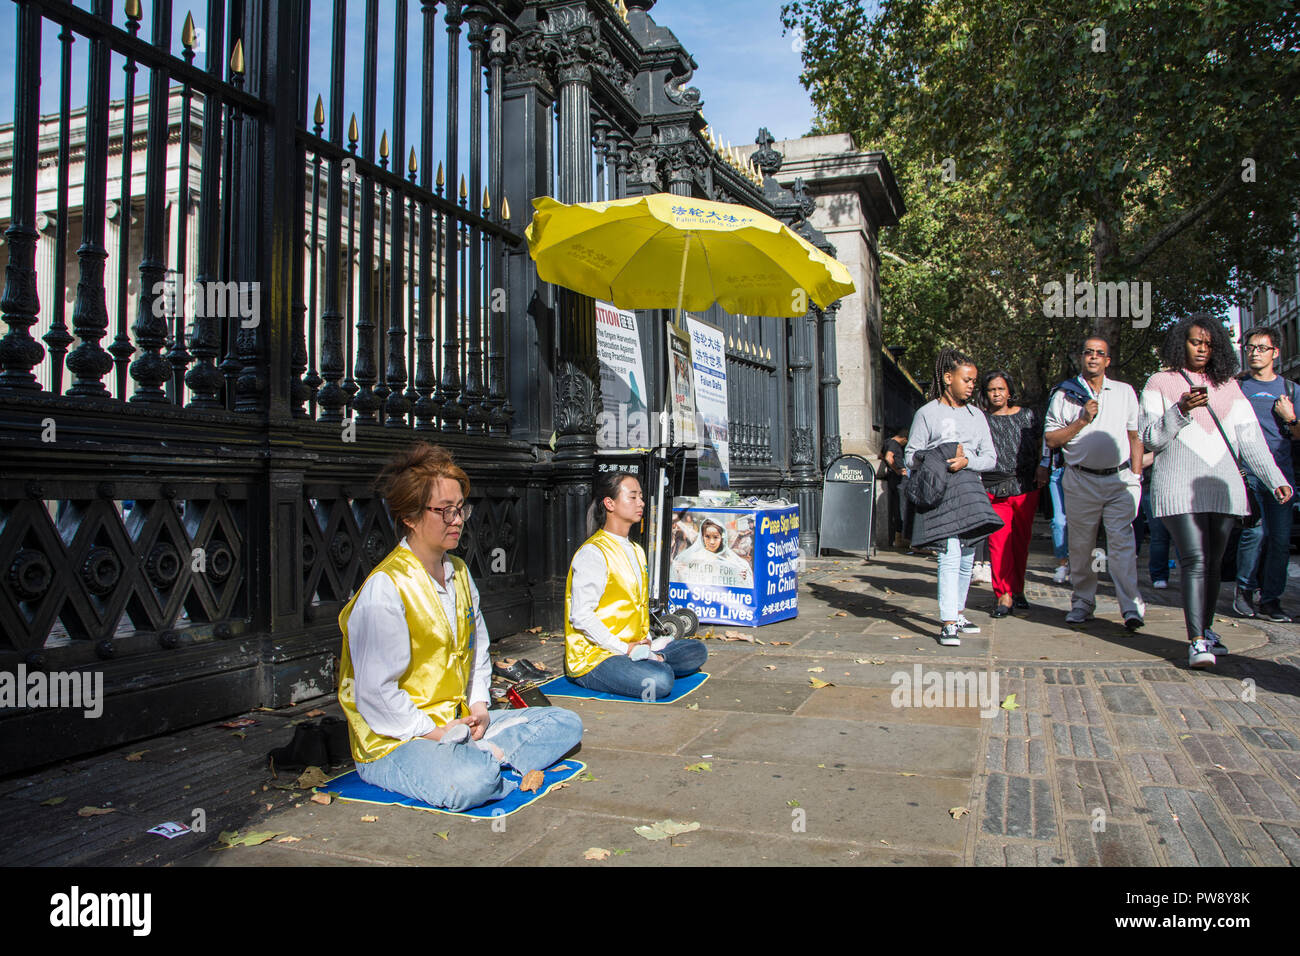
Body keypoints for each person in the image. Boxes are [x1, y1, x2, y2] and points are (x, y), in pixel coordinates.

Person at [338, 443, 583, 811]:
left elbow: (477, 650)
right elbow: (375, 695)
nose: (457, 520)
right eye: (445, 511)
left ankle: (480, 754)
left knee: (566, 723)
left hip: (459, 722)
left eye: (460, 509)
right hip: (399, 739)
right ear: (409, 516)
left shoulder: (460, 573)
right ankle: (484, 761)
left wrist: (480, 707)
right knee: (472, 781)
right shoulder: (385, 588)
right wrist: (437, 734)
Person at [1139, 315, 1293, 668]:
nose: (1202, 349)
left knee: (1211, 566)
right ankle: (1196, 641)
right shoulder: (1160, 382)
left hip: (1224, 488)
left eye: (1209, 344)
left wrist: (1275, 479)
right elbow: (1150, 438)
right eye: (1195, 342)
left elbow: (1251, 442)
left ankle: (1206, 630)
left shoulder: (1229, 386)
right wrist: (1180, 410)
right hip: (1178, 487)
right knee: (1194, 559)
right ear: (1182, 343)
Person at [567, 472, 708, 699]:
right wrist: (626, 649)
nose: (641, 503)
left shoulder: (636, 550)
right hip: (597, 656)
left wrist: (646, 642)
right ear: (610, 503)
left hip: (636, 647)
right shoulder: (593, 553)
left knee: (697, 650)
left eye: (640, 497)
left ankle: (655, 658)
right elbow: (581, 616)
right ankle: (655, 663)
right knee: (659, 682)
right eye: (632, 497)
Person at [1043, 336, 1146, 630]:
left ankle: (1131, 606)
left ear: (1107, 361)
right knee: (1081, 546)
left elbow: (1134, 437)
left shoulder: (1125, 392)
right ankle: (1083, 602)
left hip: (1120, 480)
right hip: (1080, 480)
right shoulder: (1064, 394)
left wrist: (1136, 478)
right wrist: (1082, 421)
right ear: (1081, 357)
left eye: (1100, 354)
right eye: (1088, 352)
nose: (1094, 357)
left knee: (1122, 545)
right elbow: (1051, 439)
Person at [904, 347, 999, 645]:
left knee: (968, 554)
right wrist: (943, 457)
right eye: (966, 379)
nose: (972, 385)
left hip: (970, 490)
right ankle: (947, 622)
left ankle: (958, 612)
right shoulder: (927, 413)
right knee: (949, 552)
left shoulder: (977, 416)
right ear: (948, 378)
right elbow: (910, 456)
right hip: (942, 490)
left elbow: (991, 458)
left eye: (974, 380)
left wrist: (968, 461)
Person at [1232, 325, 1300, 621]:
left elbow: (1298, 435)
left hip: (1281, 477)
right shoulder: (1236, 387)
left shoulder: (1291, 390)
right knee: (1254, 534)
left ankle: (1270, 599)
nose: (1254, 353)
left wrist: (1291, 417)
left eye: (1261, 348)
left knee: (1281, 540)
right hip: (1248, 475)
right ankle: (1244, 593)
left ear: (1275, 352)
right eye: (1250, 347)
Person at [980, 371, 1042, 617]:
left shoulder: (1027, 416)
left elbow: (1042, 444)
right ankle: (1003, 594)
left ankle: (1018, 589)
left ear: (1009, 391)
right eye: (991, 390)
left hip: (1025, 485)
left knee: (1021, 541)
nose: (996, 394)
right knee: (998, 542)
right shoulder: (982, 420)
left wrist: (1043, 467)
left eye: (1000, 389)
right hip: (994, 486)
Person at [671, 515, 754, 587]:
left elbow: (742, 589)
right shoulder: (692, 558)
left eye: (715, 537)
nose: (712, 542)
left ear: (722, 538)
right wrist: (677, 570)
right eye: (707, 537)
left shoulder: (733, 561)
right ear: (702, 537)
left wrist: (743, 577)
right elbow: (679, 582)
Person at [880, 427, 911, 547]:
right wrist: (897, 470)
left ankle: (898, 538)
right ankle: (901, 538)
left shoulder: (887, 441)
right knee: (902, 508)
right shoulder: (895, 443)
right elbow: (888, 457)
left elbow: (880, 456)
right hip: (898, 479)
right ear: (904, 439)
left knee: (897, 508)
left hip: (892, 479)